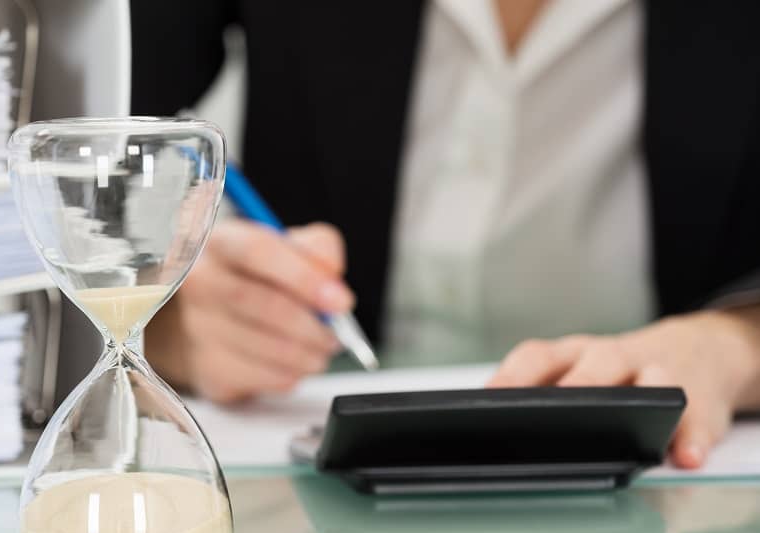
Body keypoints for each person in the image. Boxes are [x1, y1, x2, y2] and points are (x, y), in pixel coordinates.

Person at [131, 0, 760, 469]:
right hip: (298, 485)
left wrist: (735, 345)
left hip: (675, 490)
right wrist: (160, 323)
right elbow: (53, 145)